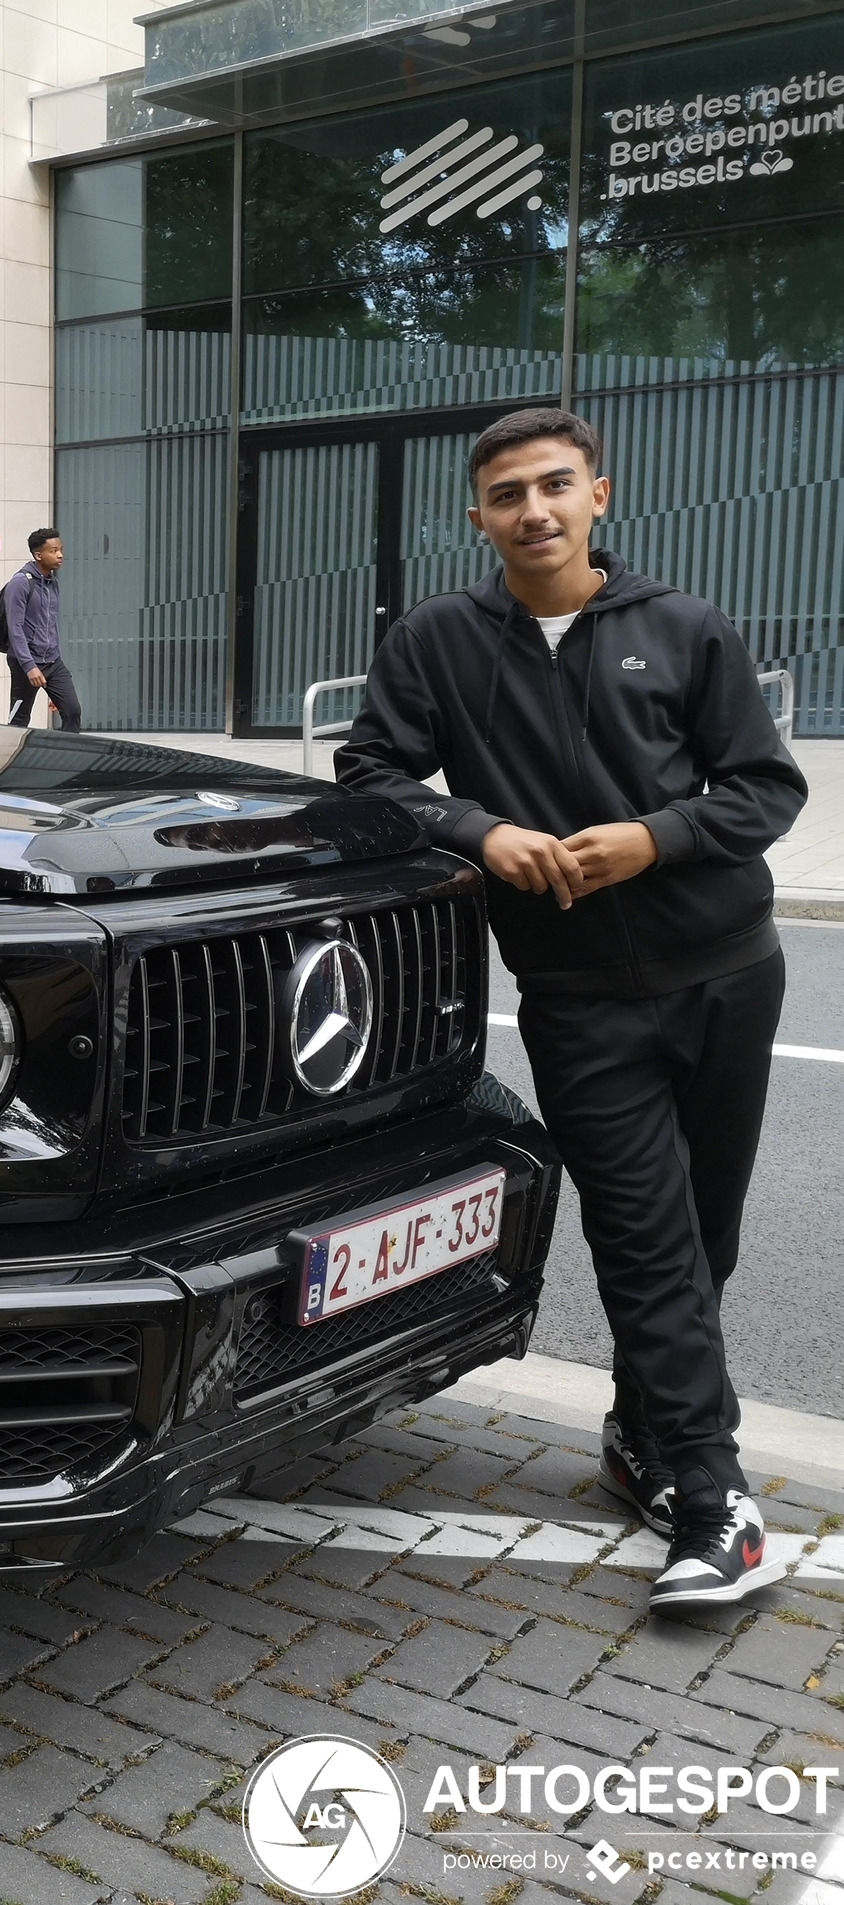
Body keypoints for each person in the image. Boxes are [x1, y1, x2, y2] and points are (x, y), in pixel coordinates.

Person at [338, 407, 805, 1611]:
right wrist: (478, 831)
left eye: (555, 486)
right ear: (478, 516)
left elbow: (763, 787)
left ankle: (638, 1442)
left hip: (727, 975)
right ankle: (712, 1500)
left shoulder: (682, 628)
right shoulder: (437, 641)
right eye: (506, 494)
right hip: (576, 1001)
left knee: (702, 1238)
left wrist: (656, 838)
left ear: (599, 495)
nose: (533, 511)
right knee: (644, 1242)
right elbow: (372, 773)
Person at [0, 529, 79, 732]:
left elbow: (51, 625)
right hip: (26, 662)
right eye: (54, 551)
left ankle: (67, 760)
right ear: (38, 555)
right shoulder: (20, 583)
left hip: (52, 661)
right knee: (19, 721)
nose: (60, 555)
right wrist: (29, 666)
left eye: (61, 549)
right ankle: (12, 760)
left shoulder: (52, 583)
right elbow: (15, 628)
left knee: (72, 710)